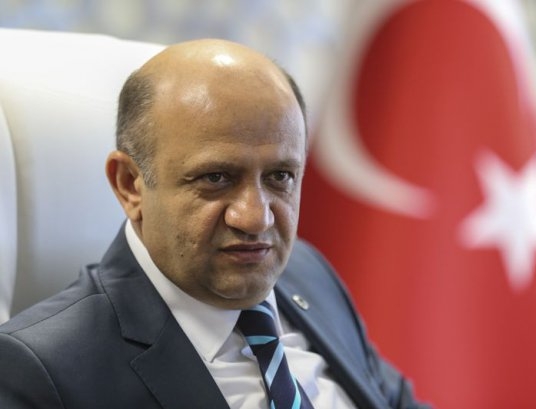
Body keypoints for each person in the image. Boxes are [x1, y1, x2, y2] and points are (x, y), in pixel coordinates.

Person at [0, 39, 428, 409]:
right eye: (216, 178)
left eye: (280, 176)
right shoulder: (38, 371)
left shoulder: (309, 274)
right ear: (130, 184)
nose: (256, 218)